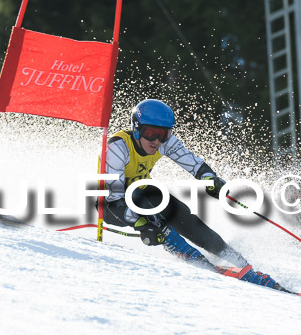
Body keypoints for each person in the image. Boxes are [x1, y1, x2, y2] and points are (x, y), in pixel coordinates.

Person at [102, 98, 290, 291]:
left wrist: (210, 180)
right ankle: (200, 264)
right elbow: (114, 199)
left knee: (180, 213)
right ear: (136, 128)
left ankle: (241, 264)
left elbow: (193, 163)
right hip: (110, 207)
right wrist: (141, 224)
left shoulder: (162, 143)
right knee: (153, 213)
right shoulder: (118, 147)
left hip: (142, 195)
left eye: (164, 135)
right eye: (151, 133)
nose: (157, 141)